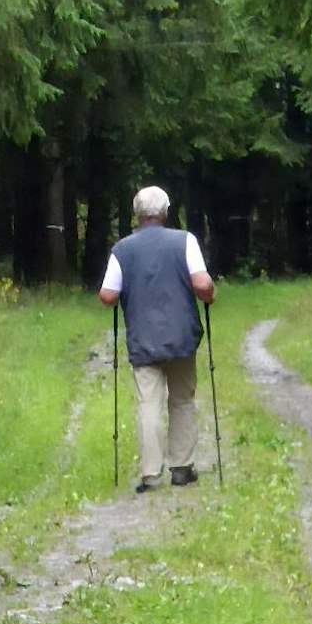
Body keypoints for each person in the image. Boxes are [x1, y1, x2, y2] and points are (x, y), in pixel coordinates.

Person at [97, 186, 216, 493]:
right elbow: (202, 285)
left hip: (143, 337)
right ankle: (182, 468)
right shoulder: (185, 241)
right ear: (165, 212)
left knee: (148, 403)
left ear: (137, 214)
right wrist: (208, 293)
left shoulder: (122, 249)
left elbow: (107, 295)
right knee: (182, 400)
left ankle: (151, 475)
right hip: (181, 336)